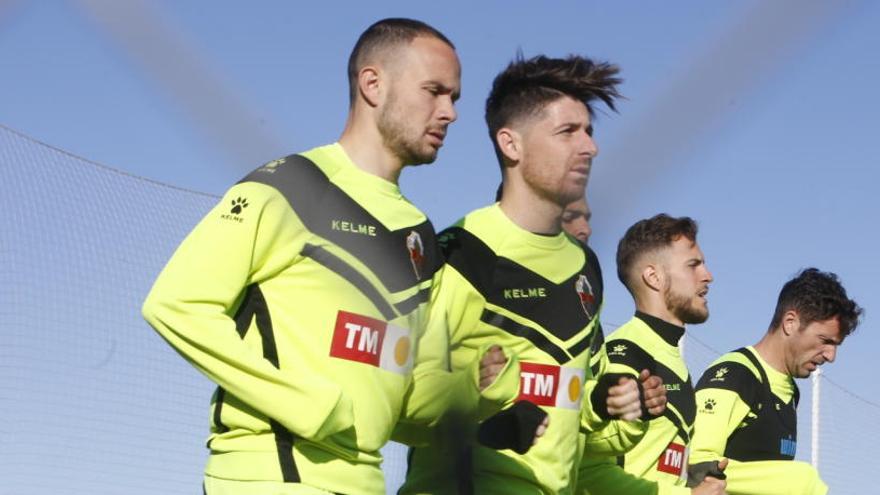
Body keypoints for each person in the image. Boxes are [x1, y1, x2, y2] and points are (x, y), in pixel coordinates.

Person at [142, 18, 518, 495]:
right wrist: (307, 404)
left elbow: (402, 407)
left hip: (366, 482)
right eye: (434, 91)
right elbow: (177, 305)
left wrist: (480, 390)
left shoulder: (420, 236)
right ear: (373, 84)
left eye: (454, 98)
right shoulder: (291, 185)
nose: (450, 112)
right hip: (272, 475)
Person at [399, 54, 666, 494]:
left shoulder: (585, 267)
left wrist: (609, 403)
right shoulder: (461, 251)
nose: (589, 147)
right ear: (511, 145)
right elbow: (398, 398)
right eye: (567, 132)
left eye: (589, 132)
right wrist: (486, 413)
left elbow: (574, 427)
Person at [576, 214, 727, 495]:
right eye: (693, 265)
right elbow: (589, 475)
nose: (708, 275)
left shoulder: (668, 355)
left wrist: (692, 476)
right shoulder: (626, 354)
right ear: (654, 277)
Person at [689, 268, 862, 495]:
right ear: (790, 322)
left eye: (835, 345)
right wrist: (797, 483)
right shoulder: (734, 376)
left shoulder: (791, 392)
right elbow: (696, 466)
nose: (831, 356)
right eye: (825, 340)